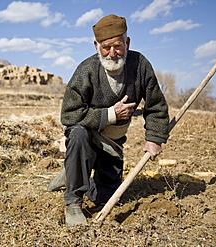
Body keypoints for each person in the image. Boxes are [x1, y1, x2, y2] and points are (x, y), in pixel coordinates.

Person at [47, 14, 169, 227]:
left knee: (105, 198)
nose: (112, 53)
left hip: (113, 144)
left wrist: (155, 138)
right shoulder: (86, 70)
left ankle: (73, 173)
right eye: (106, 47)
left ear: (127, 43)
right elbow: (69, 114)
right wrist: (110, 114)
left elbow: (156, 105)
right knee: (77, 133)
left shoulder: (140, 66)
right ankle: (73, 202)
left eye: (118, 46)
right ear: (96, 46)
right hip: (86, 138)